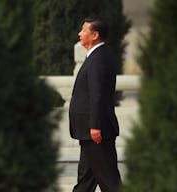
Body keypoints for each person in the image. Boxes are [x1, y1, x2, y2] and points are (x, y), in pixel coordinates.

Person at [69, 16, 121, 192]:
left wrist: (95, 126)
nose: (80, 33)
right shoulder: (97, 56)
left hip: (95, 131)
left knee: (109, 181)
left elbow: (97, 94)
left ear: (95, 35)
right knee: (85, 182)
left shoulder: (99, 58)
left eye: (84, 30)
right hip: (89, 131)